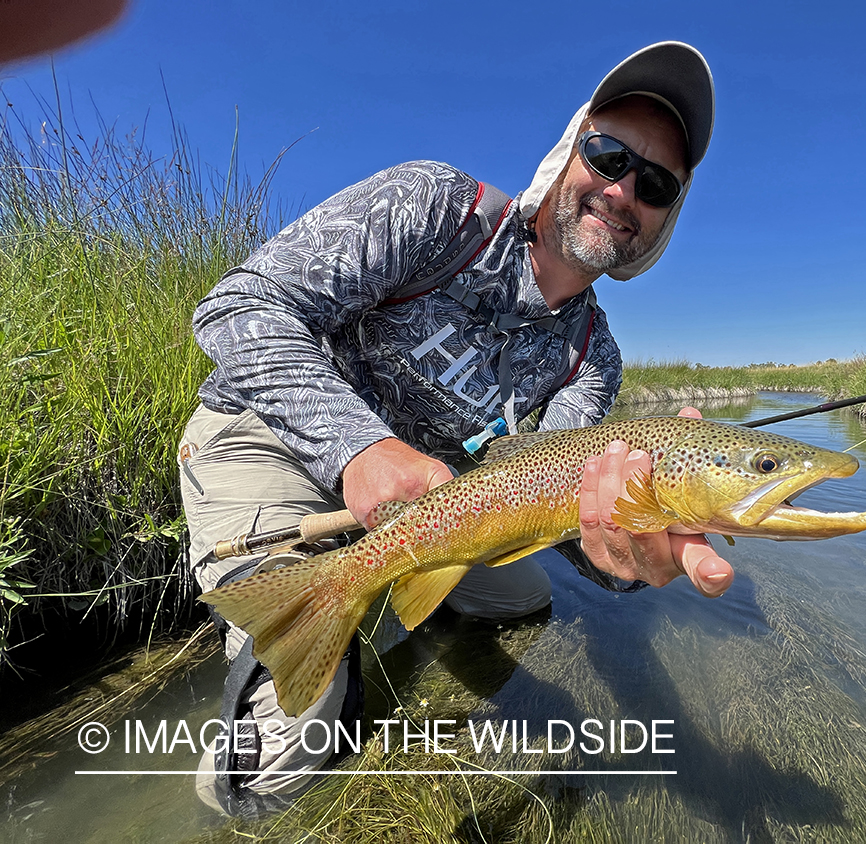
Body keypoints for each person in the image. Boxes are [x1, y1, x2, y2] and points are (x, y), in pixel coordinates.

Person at [178, 40, 731, 816]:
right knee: (292, 748)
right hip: (265, 434)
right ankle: (276, 667)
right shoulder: (438, 209)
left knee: (525, 603)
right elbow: (239, 307)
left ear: (664, 217)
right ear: (567, 152)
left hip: (433, 507)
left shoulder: (592, 357)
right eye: (608, 155)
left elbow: (563, 508)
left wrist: (632, 545)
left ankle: (375, 592)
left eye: (655, 182)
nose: (622, 190)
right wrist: (358, 448)